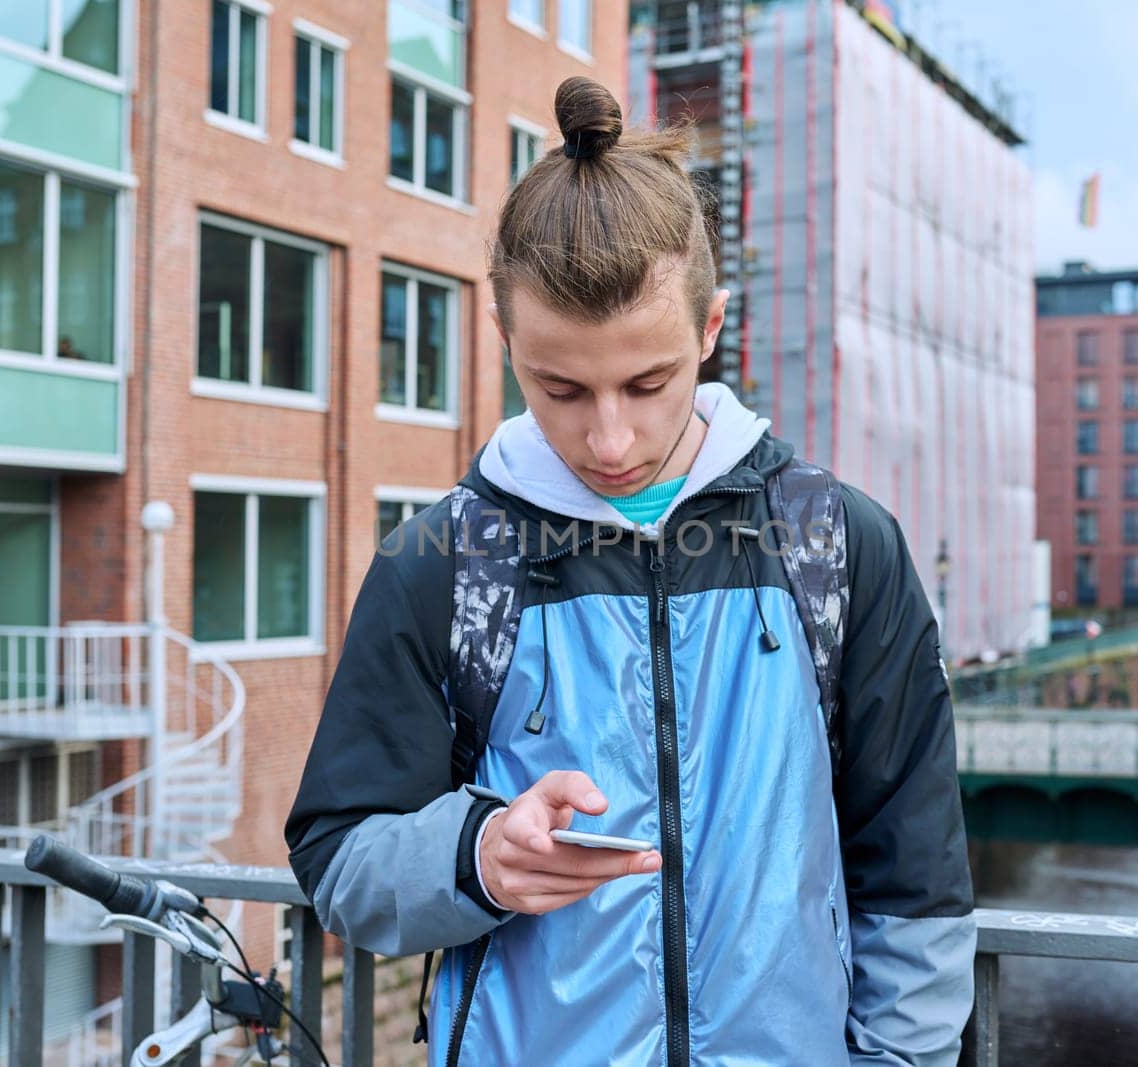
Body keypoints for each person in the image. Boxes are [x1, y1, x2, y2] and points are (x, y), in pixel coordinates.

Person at [285, 76, 975, 1066]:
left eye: (647, 383)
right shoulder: (437, 564)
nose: (609, 437)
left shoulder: (839, 543)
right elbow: (338, 858)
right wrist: (477, 855)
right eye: (558, 387)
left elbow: (914, 876)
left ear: (709, 329)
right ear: (506, 343)